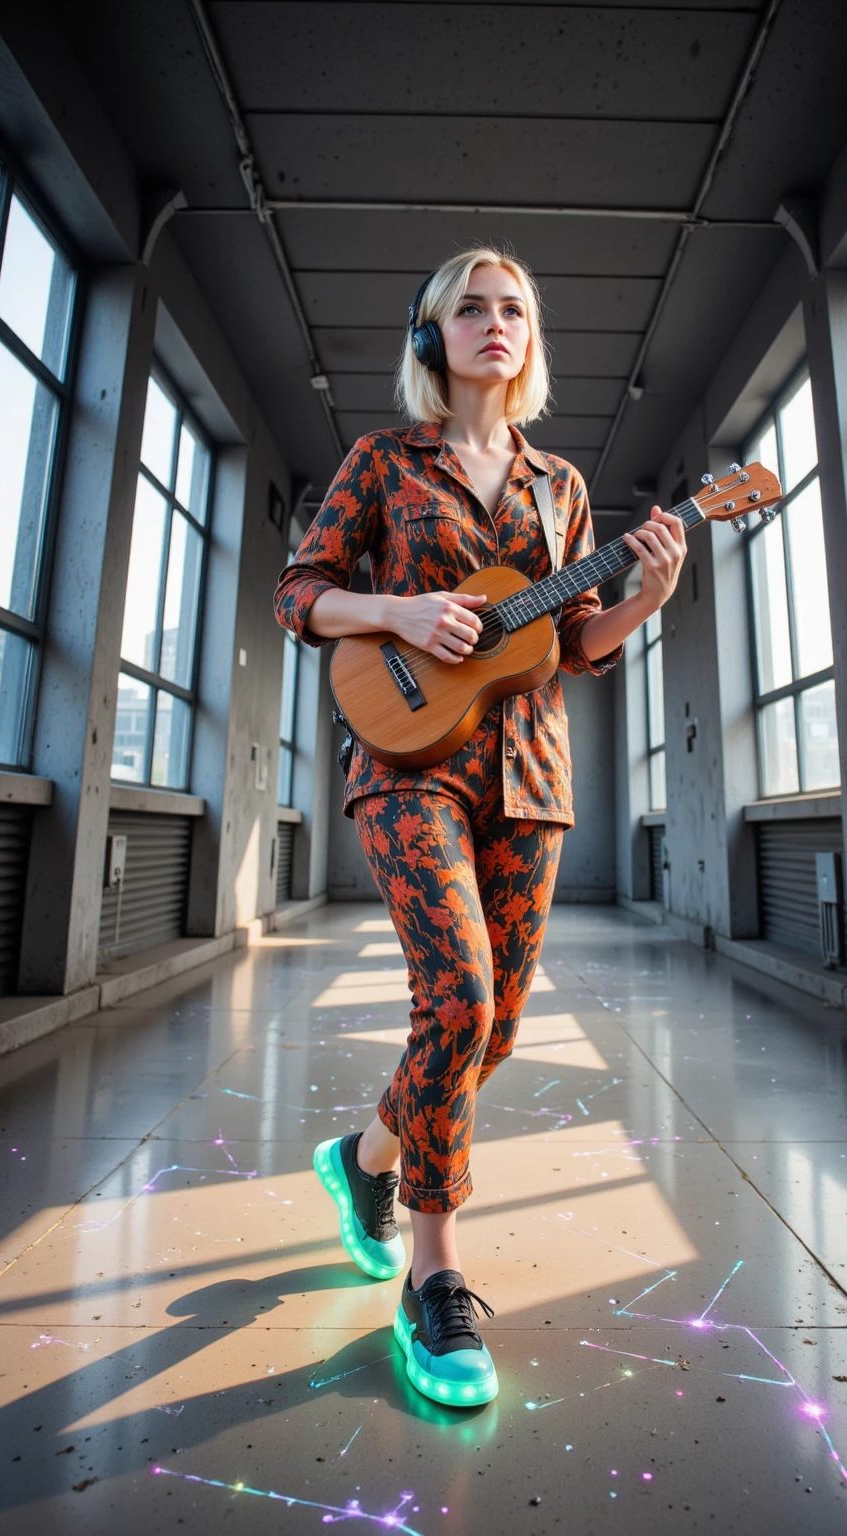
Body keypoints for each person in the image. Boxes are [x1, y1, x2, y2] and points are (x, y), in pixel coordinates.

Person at [273, 247, 686, 1407]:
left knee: (489, 1031)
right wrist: (397, 606)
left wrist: (644, 595)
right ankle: (433, 1278)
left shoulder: (560, 489)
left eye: (513, 309)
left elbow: (573, 643)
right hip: (409, 766)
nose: (494, 324)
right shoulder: (382, 462)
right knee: (454, 999)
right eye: (470, 308)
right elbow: (298, 594)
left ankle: (362, 1163)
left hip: (529, 777)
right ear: (429, 337)